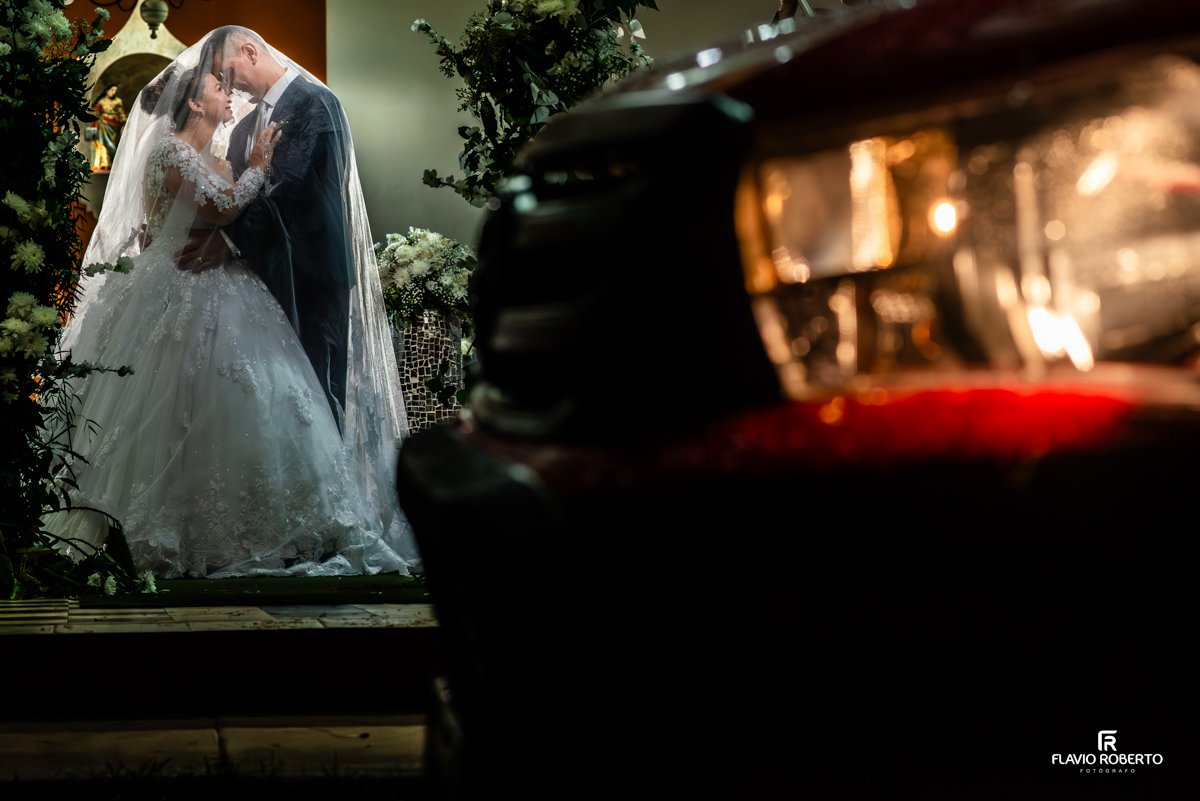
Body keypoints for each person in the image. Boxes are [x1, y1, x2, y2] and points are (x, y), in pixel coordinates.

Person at [48, 31, 420, 579]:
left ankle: (316, 520)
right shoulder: (230, 135)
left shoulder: (315, 105)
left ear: (249, 51)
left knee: (300, 399)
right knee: (198, 401)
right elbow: (222, 205)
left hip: (306, 277)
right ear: (193, 101)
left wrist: (230, 234)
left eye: (228, 72)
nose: (229, 86)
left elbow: (299, 195)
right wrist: (244, 192)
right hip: (219, 282)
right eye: (217, 81)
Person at [89, 83, 127, 172]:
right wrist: (99, 112)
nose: (113, 92)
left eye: (115, 91)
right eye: (112, 90)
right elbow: (94, 112)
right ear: (107, 91)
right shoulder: (101, 102)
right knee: (102, 143)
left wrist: (121, 119)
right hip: (103, 125)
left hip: (115, 126)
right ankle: (104, 163)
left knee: (114, 144)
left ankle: (113, 164)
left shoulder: (118, 101)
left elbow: (122, 114)